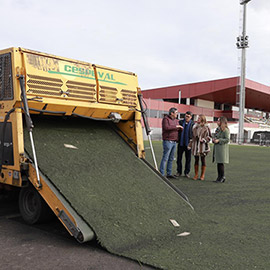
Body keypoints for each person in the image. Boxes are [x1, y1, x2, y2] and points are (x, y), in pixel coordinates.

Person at [160, 107, 182, 178]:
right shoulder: (165, 119)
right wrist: (176, 126)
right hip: (168, 141)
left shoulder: (176, 120)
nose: (177, 114)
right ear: (172, 113)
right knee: (165, 158)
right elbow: (166, 128)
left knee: (171, 158)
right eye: (176, 113)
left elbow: (176, 128)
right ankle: (162, 173)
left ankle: (169, 173)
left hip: (174, 142)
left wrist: (179, 128)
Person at [189, 114, 211, 180]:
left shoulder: (206, 127)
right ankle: (196, 174)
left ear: (202, 119)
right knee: (196, 160)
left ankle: (202, 175)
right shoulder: (195, 127)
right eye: (197, 118)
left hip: (203, 146)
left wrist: (204, 140)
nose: (197, 119)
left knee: (203, 160)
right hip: (195, 145)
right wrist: (190, 145)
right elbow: (192, 137)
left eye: (199, 118)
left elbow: (209, 137)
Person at [175, 111, 194, 178]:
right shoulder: (180, 122)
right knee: (179, 158)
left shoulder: (193, 124)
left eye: (188, 117)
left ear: (191, 117)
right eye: (186, 116)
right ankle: (179, 172)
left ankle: (187, 172)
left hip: (188, 144)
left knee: (188, 159)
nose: (186, 118)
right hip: (181, 143)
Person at [212, 116, 230, 183]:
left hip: (222, 149)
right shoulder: (218, 129)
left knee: (221, 163)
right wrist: (214, 139)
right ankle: (219, 177)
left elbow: (227, 139)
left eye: (219, 121)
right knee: (218, 163)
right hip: (217, 148)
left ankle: (222, 177)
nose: (217, 122)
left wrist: (219, 140)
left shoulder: (225, 130)